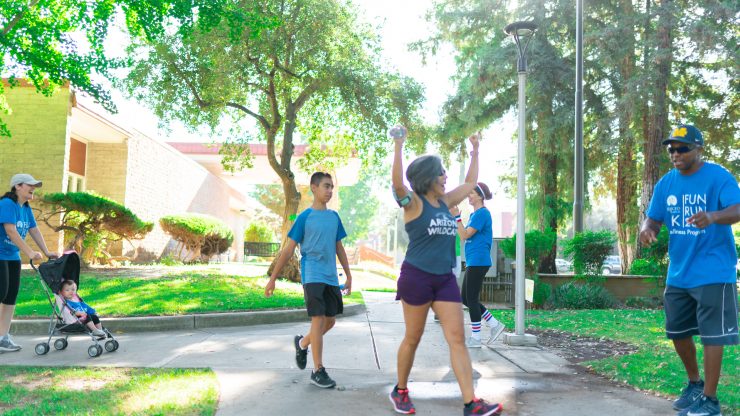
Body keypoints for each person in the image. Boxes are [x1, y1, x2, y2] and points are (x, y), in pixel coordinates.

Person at [389, 125, 503, 416]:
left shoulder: (446, 201)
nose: (445, 177)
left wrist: (476, 150)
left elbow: (470, 182)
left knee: (457, 339)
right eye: (440, 172)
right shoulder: (412, 203)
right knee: (412, 338)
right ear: (427, 177)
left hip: (443, 279)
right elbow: (399, 186)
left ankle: (470, 403)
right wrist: (399, 146)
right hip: (416, 277)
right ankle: (400, 390)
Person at [639, 124, 739, 416]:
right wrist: (647, 229)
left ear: (699, 149)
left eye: (682, 148)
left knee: (712, 335)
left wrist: (713, 215)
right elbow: (653, 219)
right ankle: (695, 383)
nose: (676, 154)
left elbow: (737, 208)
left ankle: (710, 400)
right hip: (680, 272)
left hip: (713, 269)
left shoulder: (718, 176)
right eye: (672, 149)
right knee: (677, 330)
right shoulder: (667, 184)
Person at [264, 172, 353, 389]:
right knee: (318, 318)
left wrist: (349, 275)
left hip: (331, 276)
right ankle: (318, 370)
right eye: (326, 186)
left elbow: (339, 247)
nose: (330, 191)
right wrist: (273, 278)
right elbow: (288, 250)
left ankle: (303, 343)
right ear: (313, 188)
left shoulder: (334, 217)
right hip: (312, 274)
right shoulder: (305, 217)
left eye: (332, 187)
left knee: (330, 321)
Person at [0, 174, 58, 353]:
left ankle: (2, 337)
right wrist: (30, 253)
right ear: (17, 186)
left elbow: (34, 230)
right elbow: (10, 231)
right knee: (1, 293)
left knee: (10, 297)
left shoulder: (25, 208)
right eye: (30, 185)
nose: (33, 188)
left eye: (35, 186)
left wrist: (46, 251)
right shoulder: (7, 204)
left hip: (12, 256)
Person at [450, 182, 506, 348]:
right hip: (474, 261)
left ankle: (476, 338)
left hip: (479, 261)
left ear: (480, 196)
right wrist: (457, 218)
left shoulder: (482, 214)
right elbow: (462, 235)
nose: (469, 196)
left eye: (472, 193)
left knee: (471, 299)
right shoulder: (475, 216)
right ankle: (494, 324)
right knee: (465, 298)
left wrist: (457, 218)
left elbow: (466, 234)